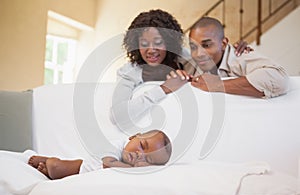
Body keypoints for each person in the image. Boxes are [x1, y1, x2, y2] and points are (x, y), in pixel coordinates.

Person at [110, 9, 250, 128]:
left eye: (158, 43)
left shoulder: (184, 57)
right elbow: (116, 117)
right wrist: (164, 88)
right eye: (144, 43)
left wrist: (232, 53)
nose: (151, 50)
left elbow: (216, 74)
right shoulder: (128, 73)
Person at [172, 16, 289, 98]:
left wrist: (217, 85)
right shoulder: (189, 64)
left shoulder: (240, 57)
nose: (198, 54)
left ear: (223, 44)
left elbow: (279, 79)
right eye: (193, 47)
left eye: (206, 45)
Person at [28, 130, 172, 180]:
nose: (140, 155)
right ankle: (48, 161)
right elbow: (108, 164)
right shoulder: (117, 145)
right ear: (133, 136)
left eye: (148, 159)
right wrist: (135, 168)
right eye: (142, 146)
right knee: (56, 168)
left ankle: (48, 167)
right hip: (82, 168)